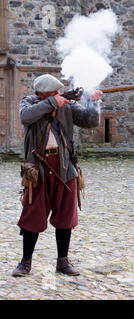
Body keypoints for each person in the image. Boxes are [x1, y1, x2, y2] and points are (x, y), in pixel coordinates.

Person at [12, 74, 102, 277]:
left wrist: (94, 103)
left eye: (58, 93)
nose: (58, 95)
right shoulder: (29, 103)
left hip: (64, 165)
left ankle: (63, 261)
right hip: (38, 168)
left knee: (65, 216)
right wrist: (54, 101)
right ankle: (25, 262)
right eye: (53, 93)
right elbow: (25, 117)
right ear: (42, 93)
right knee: (32, 216)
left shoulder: (66, 106)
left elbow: (89, 121)